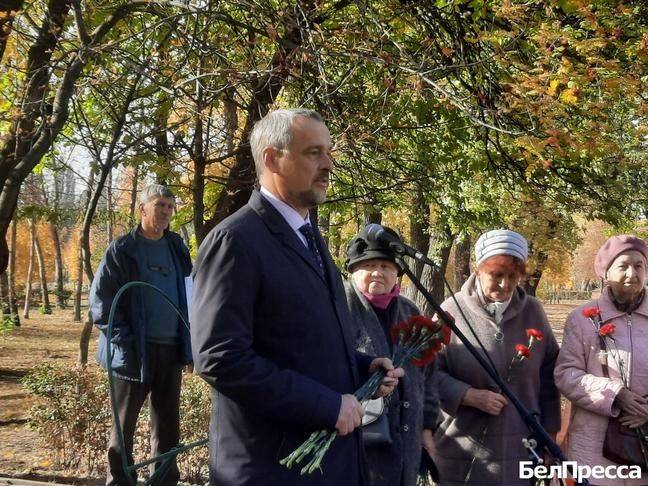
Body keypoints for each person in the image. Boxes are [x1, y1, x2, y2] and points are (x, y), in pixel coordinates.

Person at [190, 108, 403, 486]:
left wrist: (362, 367)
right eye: (314, 153)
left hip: (325, 464)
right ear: (272, 158)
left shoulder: (312, 238)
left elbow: (297, 343)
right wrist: (326, 406)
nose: (328, 165)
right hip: (273, 465)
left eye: (329, 153)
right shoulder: (235, 241)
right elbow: (220, 358)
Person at [430, 229, 561, 485]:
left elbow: (549, 377)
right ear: (478, 270)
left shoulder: (533, 311)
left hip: (520, 451)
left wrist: (550, 437)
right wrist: (466, 395)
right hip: (462, 452)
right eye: (496, 275)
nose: (505, 284)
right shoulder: (450, 311)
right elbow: (427, 374)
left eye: (513, 276)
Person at [89, 184, 193, 486]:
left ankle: (163, 480)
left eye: (170, 207)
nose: (165, 212)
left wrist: (189, 348)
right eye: (159, 205)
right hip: (133, 351)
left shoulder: (177, 247)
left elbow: (188, 296)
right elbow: (101, 303)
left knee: (168, 428)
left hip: (171, 351)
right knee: (124, 428)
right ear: (143, 209)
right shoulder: (123, 250)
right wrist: (125, 344)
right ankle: (120, 481)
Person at [344, 225, 439, 486]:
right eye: (369, 265)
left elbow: (429, 374)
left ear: (397, 272)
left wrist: (427, 425)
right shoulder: (339, 307)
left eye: (386, 266)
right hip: (355, 449)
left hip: (405, 450)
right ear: (352, 270)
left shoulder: (409, 311)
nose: (378, 272)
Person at [555, 235, 648, 486]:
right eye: (623, 266)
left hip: (644, 450)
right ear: (607, 273)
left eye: (639, 266)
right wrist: (616, 395)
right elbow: (565, 374)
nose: (632, 273)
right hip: (593, 454)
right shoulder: (582, 319)